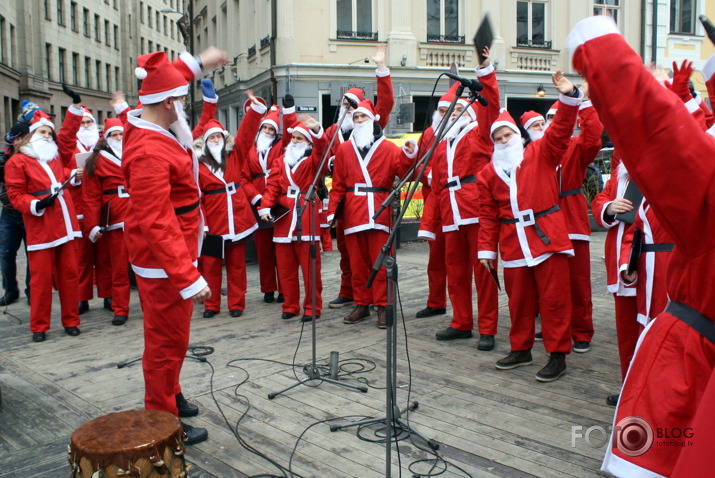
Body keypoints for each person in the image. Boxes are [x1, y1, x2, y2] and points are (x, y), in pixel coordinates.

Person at [566, 15, 715, 475]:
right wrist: (609, 214)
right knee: (629, 329)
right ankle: (625, 376)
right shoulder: (622, 170)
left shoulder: (681, 157)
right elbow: (613, 200)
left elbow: (664, 137)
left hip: (666, 267)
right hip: (628, 256)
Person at [122, 47, 227, 446]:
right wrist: (188, 276)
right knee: (166, 342)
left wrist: (200, 61)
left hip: (177, 251)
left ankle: (171, 393)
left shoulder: (152, 119)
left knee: (176, 337)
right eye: (180, 100)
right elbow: (156, 221)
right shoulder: (148, 150)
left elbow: (166, 78)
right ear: (167, 103)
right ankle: (161, 418)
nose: (183, 106)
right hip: (164, 262)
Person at [477, 70, 582, 382]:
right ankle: (521, 348)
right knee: (519, 300)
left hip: (547, 236)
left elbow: (561, 130)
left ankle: (557, 354)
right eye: (497, 138)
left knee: (554, 300)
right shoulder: (488, 173)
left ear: (517, 135)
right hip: (512, 241)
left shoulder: (540, 152)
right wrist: (486, 249)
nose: (503, 141)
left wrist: (568, 96)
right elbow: (487, 215)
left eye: (507, 135)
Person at [425, 50, 500, 350]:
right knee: (455, 270)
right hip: (450, 212)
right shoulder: (442, 145)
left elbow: (491, 108)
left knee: (483, 270)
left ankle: (488, 328)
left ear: (468, 113)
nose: (452, 115)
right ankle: (461, 321)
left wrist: (485, 73)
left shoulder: (478, 134)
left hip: (476, 209)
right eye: (448, 112)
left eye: (457, 111)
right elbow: (437, 184)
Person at [526, 86, 604, 354]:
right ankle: (553, 326)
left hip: (570, 217)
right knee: (548, 282)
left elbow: (594, 138)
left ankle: (581, 330)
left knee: (578, 281)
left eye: (558, 118)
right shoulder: (534, 151)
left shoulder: (576, 146)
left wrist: (582, 103)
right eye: (549, 119)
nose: (552, 123)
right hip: (543, 221)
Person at [327, 100, 417, 328]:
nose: (358, 121)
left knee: (382, 262)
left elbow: (405, 174)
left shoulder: (388, 148)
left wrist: (408, 155)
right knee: (357, 263)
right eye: (356, 118)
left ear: (373, 120)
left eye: (363, 117)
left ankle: (383, 306)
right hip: (353, 211)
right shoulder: (345, 148)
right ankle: (361, 304)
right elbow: (338, 185)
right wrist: (332, 212)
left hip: (380, 208)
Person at [5, 107, 83, 343]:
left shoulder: (56, 156)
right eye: (42, 132)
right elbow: (16, 195)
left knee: (70, 276)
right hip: (41, 225)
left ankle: (71, 321)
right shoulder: (17, 161)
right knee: (40, 280)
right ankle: (39, 326)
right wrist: (36, 204)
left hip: (65, 222)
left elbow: (68, 137)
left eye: (50, 133)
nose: (48, 136)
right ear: (31, 135)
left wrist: (75, 109)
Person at [325, 43, 394, 310]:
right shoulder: (333, 133)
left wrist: (381, 69)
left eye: (351, 106)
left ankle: (377, 303)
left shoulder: (374, 132)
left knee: (374, 255)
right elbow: (319, 160)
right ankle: (350, 293)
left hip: (372, 204)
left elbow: (385, 103)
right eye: (344, 104)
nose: (347, 109)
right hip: (345, 203)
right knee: (349, 254)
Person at [258, 116, 327, 321]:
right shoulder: (280, 161)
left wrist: (317, 129)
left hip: (306, 216)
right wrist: (265, 206)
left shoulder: (313, 160)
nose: (295, 141)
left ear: (308, 141)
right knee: (286, 269)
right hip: (284, 220)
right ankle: (290, 305)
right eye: (293, 138)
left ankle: (312, 308)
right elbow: (272, 187)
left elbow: (323, 150)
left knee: (310, 269)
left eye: (299, 138)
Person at [194, 114, 258, 319]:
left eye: (218, 137)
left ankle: (237, 303)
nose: (215, 141)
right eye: (211, 138)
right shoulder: (198, 164)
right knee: (211, 265)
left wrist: (254, 111)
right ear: (205, 141)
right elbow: (197, 196)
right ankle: (211, 304)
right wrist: (202, 223)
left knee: (237, 264)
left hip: (237, 217)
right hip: (214, 221)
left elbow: (247, 134)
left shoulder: (234, 154)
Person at [238, 90, 297, 305]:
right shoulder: (248, 150)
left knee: (281, 249)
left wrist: (289, 111)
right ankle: (268, 288)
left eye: (272, 129)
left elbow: (290, 133)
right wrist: (255, 198)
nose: (269, 132)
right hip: (257, 204)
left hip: (278, 202)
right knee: (263, 250)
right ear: (260, 129)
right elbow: (242, 177)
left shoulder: (281, 147)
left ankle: (284, 288)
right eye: (266, 128)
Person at [82, 117, 132, 326]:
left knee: (147, 264)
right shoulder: (96, 160)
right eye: (114, 134)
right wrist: (92, 225)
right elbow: (90, 196)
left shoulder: (133, 153)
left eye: (121, 134)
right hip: (115, 217)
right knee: (118, 267)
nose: (119, 138)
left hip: (139, 212)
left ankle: (154, 304)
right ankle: (120, 308)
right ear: (106, 137)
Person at [65, 94, 112, 315]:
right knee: (81, 258)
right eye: (82, 122)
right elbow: (58, 171)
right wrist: (73, 174)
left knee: (105, 257)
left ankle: (108, 295)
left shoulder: (104, 144)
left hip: (103, 209)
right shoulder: (69, 146)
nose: (85, 125)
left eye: (89, 122)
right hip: (78, 208)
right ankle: (82, 298)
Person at [0, 122, 31, 306]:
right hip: (9, 212)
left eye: (21, 138)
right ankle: (10, 290)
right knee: (5, 253)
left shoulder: (34, 156)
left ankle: (31, 291)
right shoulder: (6, 155)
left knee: (32, 254)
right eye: (15, 138)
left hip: (29, 211)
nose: (17, 142)